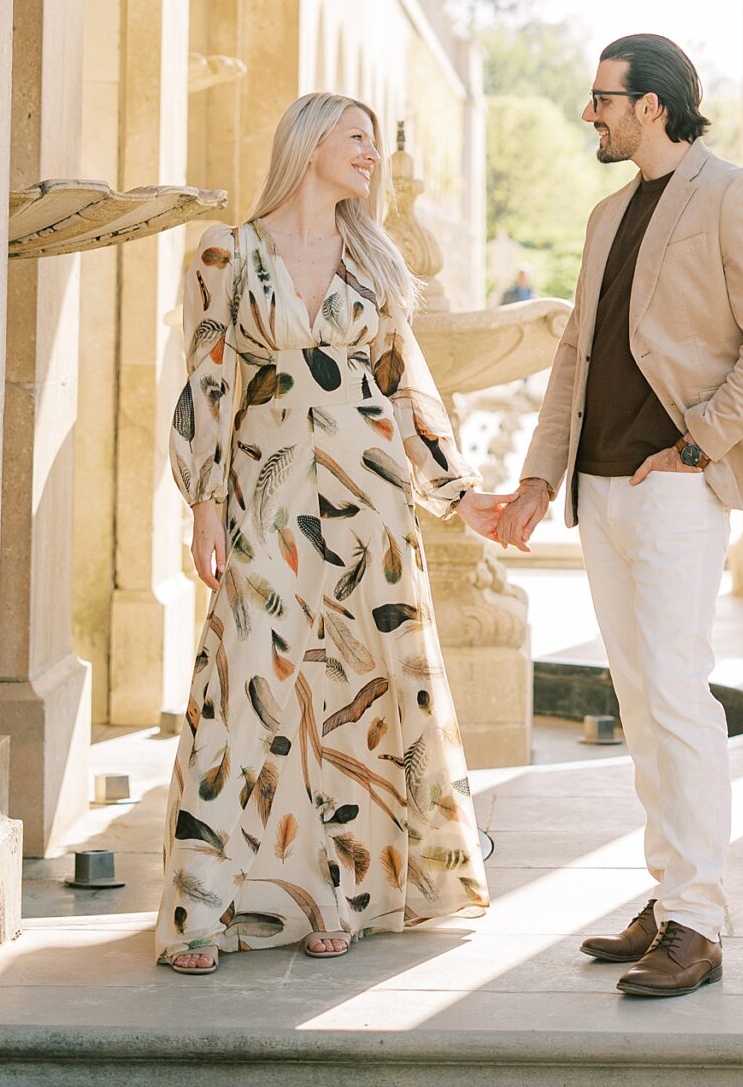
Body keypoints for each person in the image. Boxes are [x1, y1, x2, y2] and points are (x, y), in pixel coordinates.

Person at [485, 33, 743, 1001]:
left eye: (602, 98)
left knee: (675, 692)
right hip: (599, 487)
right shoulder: (604, 214)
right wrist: (539, 481)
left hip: (673, 483)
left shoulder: (731, 193)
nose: (590, 112)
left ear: (652, 106)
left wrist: (699, 441)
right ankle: (669, 895)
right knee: (637, 698)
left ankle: (700, 919)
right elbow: (575, 356)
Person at [156, 92, 506, 971]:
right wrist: (202, 502)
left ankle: (339, 893)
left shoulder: (372, 258)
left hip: (371, 501)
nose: (372, 155)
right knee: (251, 683)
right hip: (262, 500)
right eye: (357, 138)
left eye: (376, 143)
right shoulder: (225, 252)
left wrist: (458, 493)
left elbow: (403, 382)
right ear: (308, 143)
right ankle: (211, 904)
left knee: (353, 687)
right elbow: (206, 380)